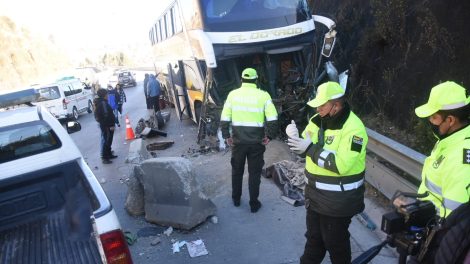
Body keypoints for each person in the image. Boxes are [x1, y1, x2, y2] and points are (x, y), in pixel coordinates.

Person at [286, 81, 368, 264]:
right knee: (314, 240)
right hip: (315, 197)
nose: (318, 109)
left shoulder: (355, 129)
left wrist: (309, 149)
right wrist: (294, 138)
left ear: (336, 105)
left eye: (322, 105)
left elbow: (342, 164)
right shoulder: (317, 121)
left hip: (339, 202)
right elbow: (304, 146)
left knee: (335, 244)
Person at [220, 68, 278, 213]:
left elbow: (224, 118)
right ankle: (253, 204)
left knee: (237, 171)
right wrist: (269, 136)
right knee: (254, 174)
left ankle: (236, 199)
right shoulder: (264, 96)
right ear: (256, 80)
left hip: (238, 142)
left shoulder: (232, 95)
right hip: (256, 143)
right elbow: (273, 119)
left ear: (241, 79)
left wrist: (227, 135)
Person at [414, 81, 470, 217]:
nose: (430, 121)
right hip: (427, 222)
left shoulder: (461, 158)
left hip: (440, 233)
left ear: (450, 120)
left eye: (434, 117)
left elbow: (454, 220)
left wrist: (431, 235)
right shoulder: (449, 140)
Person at [93, 88, 118, 164]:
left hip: (105, 125)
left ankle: (109, 154)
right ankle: (105, 157)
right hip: (107, 126)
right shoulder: (103, 103)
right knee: (106, 141)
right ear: (104, 95)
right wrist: (111, 125)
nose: (108, 95)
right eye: (107, 94)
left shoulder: (102, 102)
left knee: (108, 140)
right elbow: (106, 115)